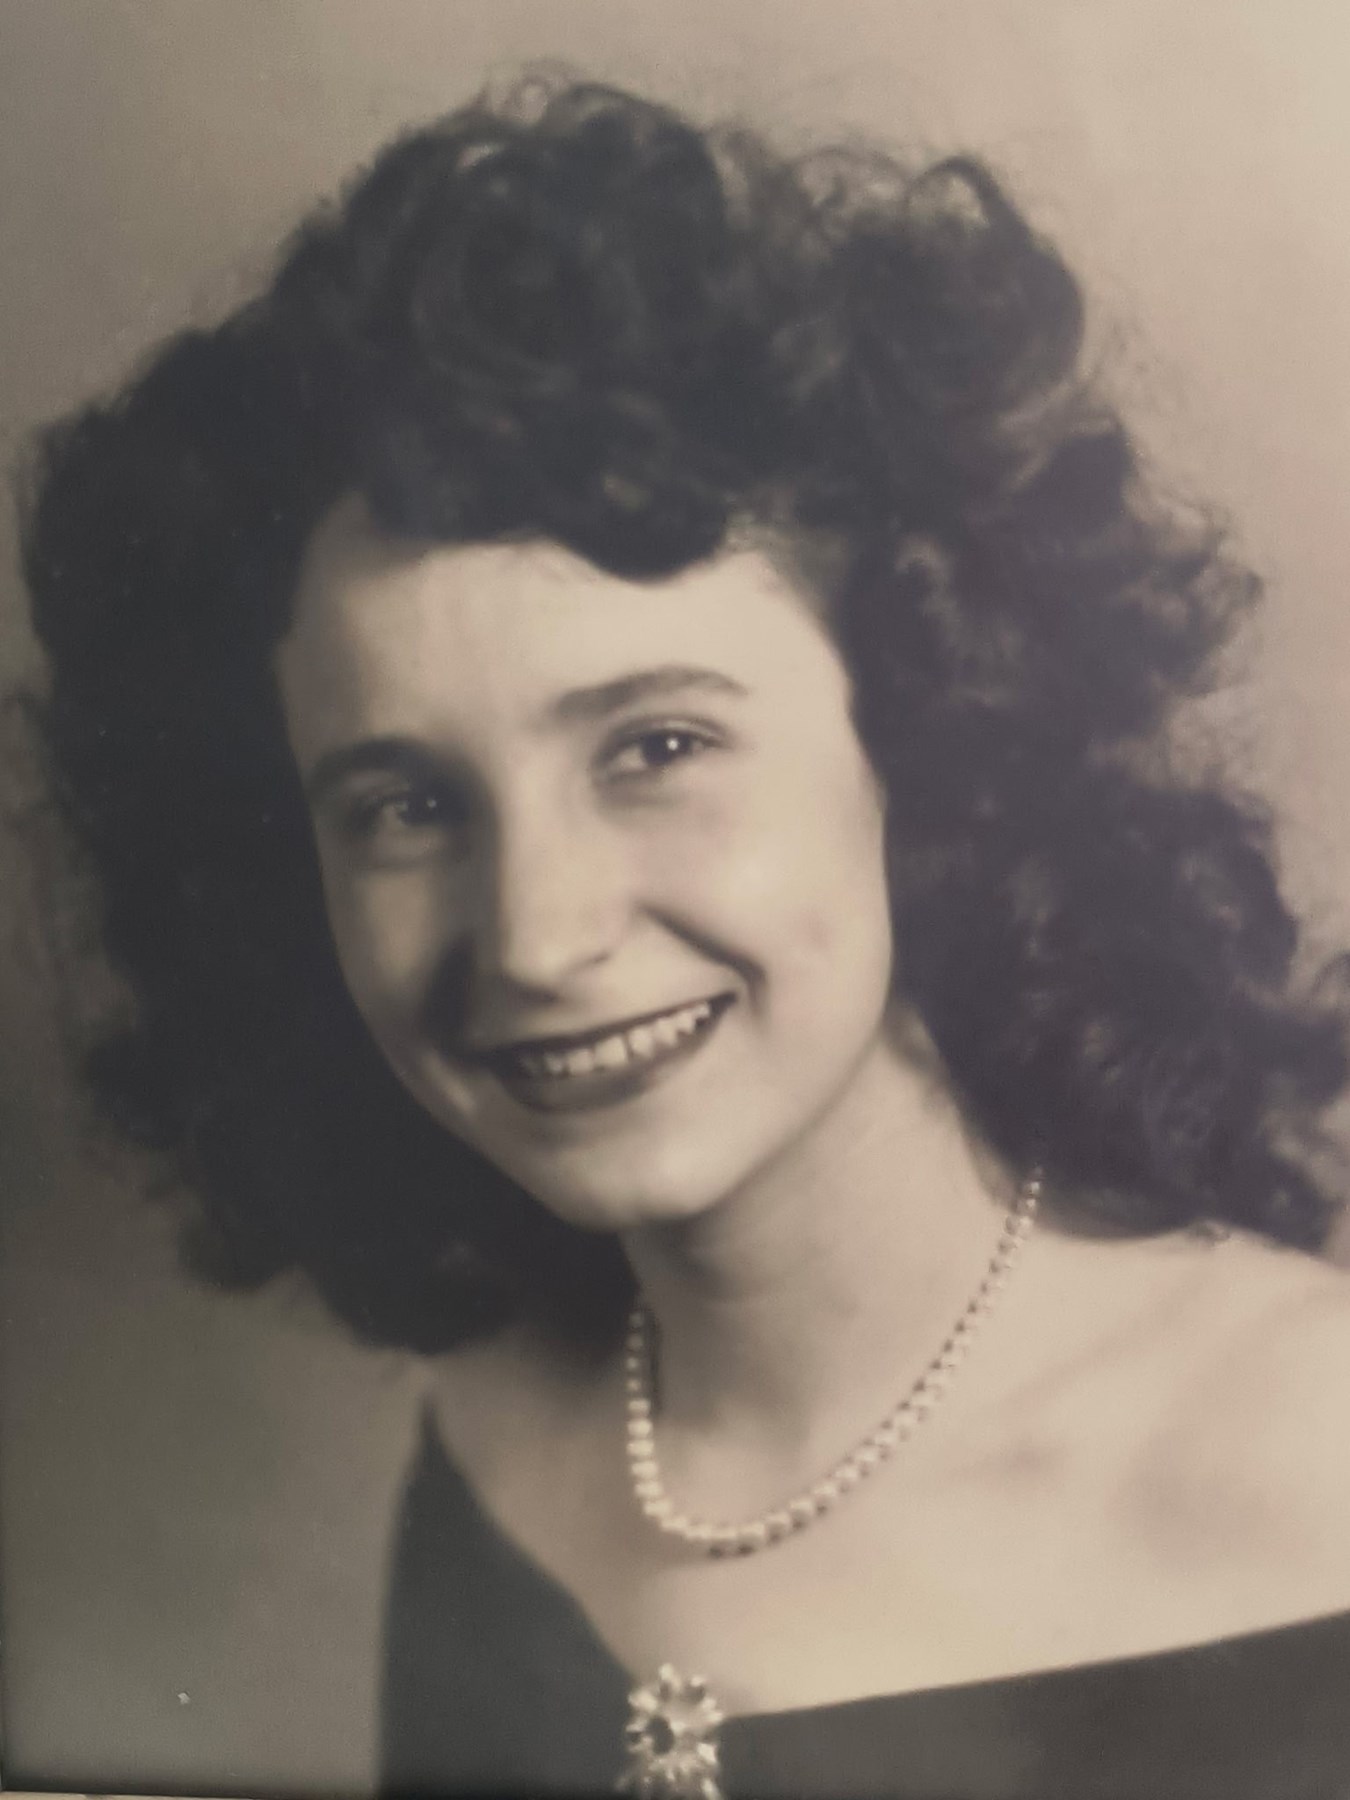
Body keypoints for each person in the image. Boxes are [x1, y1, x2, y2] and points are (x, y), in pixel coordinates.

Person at [19, 71, 1350, 1799]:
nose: (535, 936)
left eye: (654, 747)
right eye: (405, 805)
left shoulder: (1309, 1466)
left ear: (929, 737)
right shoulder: (491, 1432)